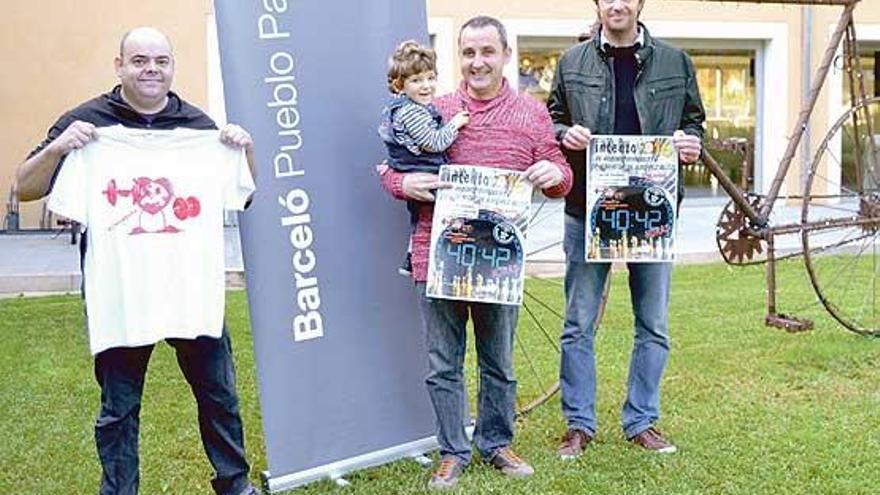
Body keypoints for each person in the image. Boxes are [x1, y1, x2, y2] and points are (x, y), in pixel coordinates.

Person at [15, 27, 259, 495]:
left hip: (189, 289)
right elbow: (25, 187)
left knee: (219, 395)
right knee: (119, 408)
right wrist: (61, 146)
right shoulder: (87, 124)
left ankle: (235, 485)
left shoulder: (199, 129)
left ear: (172, 66)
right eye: (140, 61)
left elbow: (246, 194)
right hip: (122, 291)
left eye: (161, 61)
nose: (151, 70)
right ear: (119, 65)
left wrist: (244, 149)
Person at [379, 16, 573, 490]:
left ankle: (497, 443)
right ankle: (451, 450)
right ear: (458, 57)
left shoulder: (531, 113)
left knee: (498, 361)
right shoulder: (432, 107)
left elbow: (562, 174)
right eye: (468, 52)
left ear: (506, 54)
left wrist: (554, 173)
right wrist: (403, 182)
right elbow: (388, 167)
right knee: (443, 362)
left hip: (499, 261)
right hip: (437, 254)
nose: (477, 61)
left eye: (487, 51)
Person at [547, 0, 705, 458]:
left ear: (639, 3)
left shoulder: (675, 61)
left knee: (652, 323)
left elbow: (694, 122)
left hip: (652, 210)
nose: (616, 3)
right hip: (587, 207)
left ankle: (642, 420)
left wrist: (691, 142)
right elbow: (551, 117)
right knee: (578, 323)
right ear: (596, 4)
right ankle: (579, 424)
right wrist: (563, 134)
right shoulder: (571, 61)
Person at [378, 40, 469, 276]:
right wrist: (455, 124)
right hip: (425, 171)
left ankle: (410, 259)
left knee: (418, 219)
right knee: (456, 208)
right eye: (416, 80)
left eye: (430, 77)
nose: (426, 86)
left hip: (410, 166)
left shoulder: (404, 108)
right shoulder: (412, 112)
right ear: (400, 85)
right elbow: (434, 142)